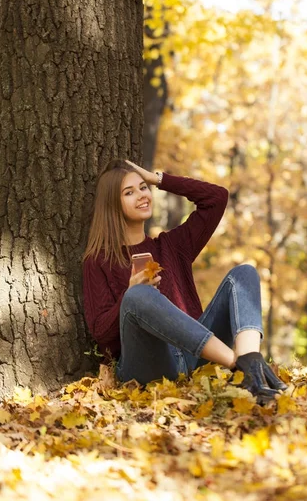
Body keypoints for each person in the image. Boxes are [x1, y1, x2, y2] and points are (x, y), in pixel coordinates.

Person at [83, 159, 287, 404]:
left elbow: (217, 198)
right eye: (129, 192)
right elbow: (100, 333)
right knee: (138, 296)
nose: (141, 195)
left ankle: (252, 366)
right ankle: (238, 365)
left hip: (197, 357)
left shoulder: (173, 246)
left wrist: (158, 179)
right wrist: (129, 293)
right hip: (149, 368)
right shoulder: (98, 260)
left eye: (142, 187)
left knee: (245, 274)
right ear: (112, 205)